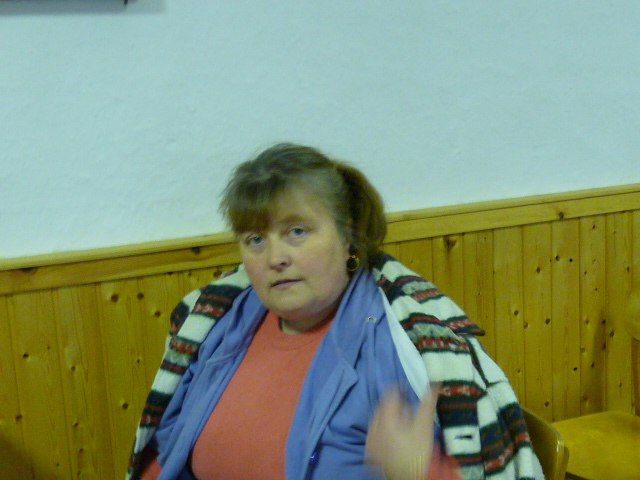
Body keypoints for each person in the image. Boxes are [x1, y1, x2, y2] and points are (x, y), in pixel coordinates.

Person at [127, 143, 543, 480]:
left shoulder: (405, 346)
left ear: (349, 238)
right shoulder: (218, 325)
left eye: (297, 231)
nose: (275, 257)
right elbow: (169, 450)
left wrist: (421, 474)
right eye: (255, 239)